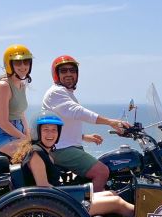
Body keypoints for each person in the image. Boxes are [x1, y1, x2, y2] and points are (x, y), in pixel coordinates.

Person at [12, 114, 134, 217]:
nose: (50, 133)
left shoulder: (45, 153)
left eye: (54, 130)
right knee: (116, 202)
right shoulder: (36, 154)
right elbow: (44, 187)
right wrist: (75, 194)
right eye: (46, 130)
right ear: (37, 132)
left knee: (111, 193)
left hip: (57, 200)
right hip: (53, 205)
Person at [40, 55, 130, 191]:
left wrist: (84, 137)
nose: (69, 74)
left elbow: (64, 123)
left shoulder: (66, 93)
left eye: (72, 70)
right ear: (56, 74)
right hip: (61, 150)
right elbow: (77, 112)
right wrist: (109, 122)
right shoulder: (56, 92)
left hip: (66, 146)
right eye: (64, 71)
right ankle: (94, 208)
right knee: (102, 171)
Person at [0, 44, 32, 157]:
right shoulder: (3, 86)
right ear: (9, 64)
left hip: (18, 133)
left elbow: (21, 113)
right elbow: (3, 123)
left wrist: (28, 134)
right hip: (3, 136)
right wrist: (24, 138)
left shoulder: (21, 85)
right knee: (34, 155)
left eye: (26, 61)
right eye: (17, 62)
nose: (23, 66)